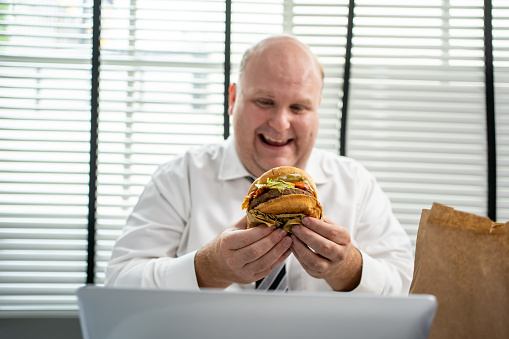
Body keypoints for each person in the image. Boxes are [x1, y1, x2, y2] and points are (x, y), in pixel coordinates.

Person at [105, 35, 414, 294]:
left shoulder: (356, 184)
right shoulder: (179, 177)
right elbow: (119, 283)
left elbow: (409, 287)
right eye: (264, 102)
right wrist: (207, 269)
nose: (280, 123)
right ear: (233, 99)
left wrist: (350, 270)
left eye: (298, 107)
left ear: (317, 109)